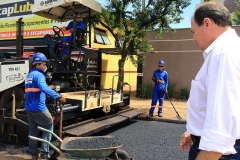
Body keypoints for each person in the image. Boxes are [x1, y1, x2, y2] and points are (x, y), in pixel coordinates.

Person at [180, 2, 240, 160]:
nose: (193, 38)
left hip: (218, 154)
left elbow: (222, 124)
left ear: (207, 23)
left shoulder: (223, 54)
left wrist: (206, 155)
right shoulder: (231, 49)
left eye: (193, 31)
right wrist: (194, 132)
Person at [25, 52, 66, 160]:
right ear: (37, 65)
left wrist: (49, 87)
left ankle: (34, 154)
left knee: (33, 132)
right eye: (44, 64)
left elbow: (37, 88)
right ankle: (44, 154)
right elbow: (43, 88)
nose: (45, 66)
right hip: (39, 108)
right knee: (48, 126)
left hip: (29, 108)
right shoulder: (39, 75)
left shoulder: (29, 75)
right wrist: (58, 96)